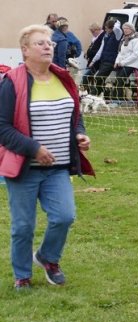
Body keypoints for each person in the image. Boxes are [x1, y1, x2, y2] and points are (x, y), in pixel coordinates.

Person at [0, 24, 94, 289]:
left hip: (58, 167)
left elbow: (75, 115)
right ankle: (22, 275)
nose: (47, 47)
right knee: (23, 227)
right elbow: (2, 127)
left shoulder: (62, 77)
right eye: (40, 43)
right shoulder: (12, 82)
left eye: (49, 43)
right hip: (24, 169)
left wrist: (79, 134)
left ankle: (47, 258)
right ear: (25, 50)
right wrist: (34, 149)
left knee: (65, 216)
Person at [86, 18, 122, 96]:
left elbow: (116, 28)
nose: (105, 30)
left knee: (98, 77)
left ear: (111, 28)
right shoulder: (106, 36)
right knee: (100, 80)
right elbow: (100, 50)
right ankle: (104, 94)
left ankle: (93, 95)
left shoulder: (117, 35)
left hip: (111, 61)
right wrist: (93, 61)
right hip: (103, 60)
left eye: (106, 28)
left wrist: (115, 21)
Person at [111, 22, 138, 101]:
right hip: (122, 63)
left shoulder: (135, 40)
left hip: (131, 64)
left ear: (131, 29)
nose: (125, 30)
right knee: (117, 80)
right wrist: (116, 62)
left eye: (127, 28)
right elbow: (120, 52)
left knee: (120, 79)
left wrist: (123, 62)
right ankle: (115, 98)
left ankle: (119, 100)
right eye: (124, 29)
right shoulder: (124, 39)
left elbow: (135, 55)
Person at [81, 23, 105, 92]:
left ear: (97, 29)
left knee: (86, 76)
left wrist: (92, 58)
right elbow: (92, 47)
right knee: (88, 77)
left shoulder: (102, 36)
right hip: (91, 60)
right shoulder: (96, 37)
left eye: (93, 31)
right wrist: (87, 53)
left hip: (96, 62)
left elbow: (98, 50)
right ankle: (87, 92)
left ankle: (84, 92)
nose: (92, 33)